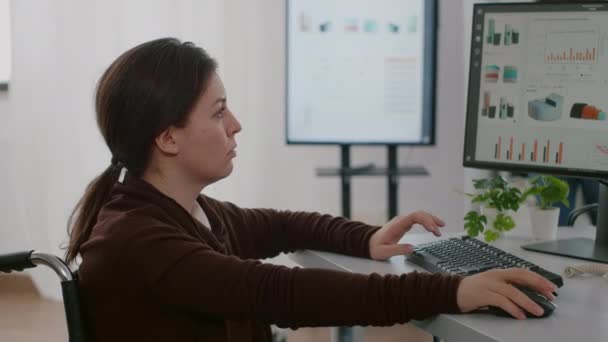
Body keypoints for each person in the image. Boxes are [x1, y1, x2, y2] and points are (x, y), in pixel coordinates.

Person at [66, 38, 557, 342]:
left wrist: (364, 238)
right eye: (218, 113)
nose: (236, 125)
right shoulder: (138, 239)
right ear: (167, 137)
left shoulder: (186, 213)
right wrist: (453, 290)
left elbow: (283, 224)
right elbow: (280, 292)